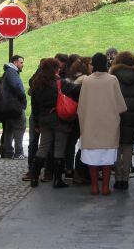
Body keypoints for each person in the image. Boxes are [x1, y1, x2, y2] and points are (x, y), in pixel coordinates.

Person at [78, 53, 128, 195]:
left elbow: (81, 106)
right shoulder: (112, 80)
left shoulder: (87, 81)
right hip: (108, 125)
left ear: (93, 64)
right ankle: (105, 187)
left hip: (91, 124)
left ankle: (94, 187)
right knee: (107, 157)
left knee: (92, 157)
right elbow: (121, 106)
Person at [28, 58, 81, 188]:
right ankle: (58, 180)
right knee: (59, 148)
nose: (60, 70)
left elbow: (34, 106)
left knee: (43, 148)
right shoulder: (59, 83)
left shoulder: (36, 84)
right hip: (59, 120)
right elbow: (77, 90)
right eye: (58, 68)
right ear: (55, 69)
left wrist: (36, 124)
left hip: (44, 120)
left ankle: (34, 177)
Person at [109, 51, 134, 190]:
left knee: (116, 147)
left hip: (116, 115)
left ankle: (117, 178)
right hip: (133, 115)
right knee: (128, 147)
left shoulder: (112, 75)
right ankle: (125, 179)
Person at [0, 55, 27, 159]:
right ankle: (18, 152)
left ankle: (8, 152)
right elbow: (17, 87)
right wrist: (23, 97)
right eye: (21, 62)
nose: (22, 65)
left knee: (9, 128)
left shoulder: (9, 71)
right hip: (14, 105)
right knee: (20, 127)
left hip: (9, 105)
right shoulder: (12, 72)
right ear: (15, 62)